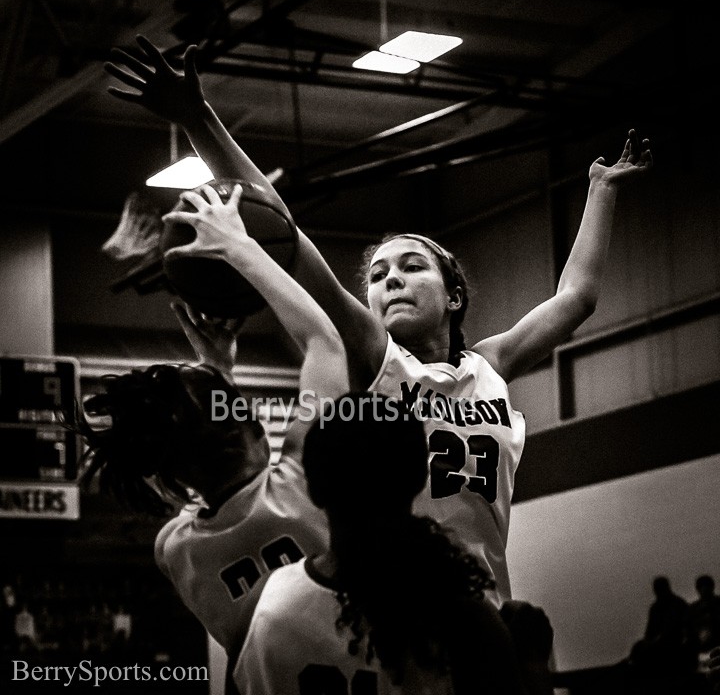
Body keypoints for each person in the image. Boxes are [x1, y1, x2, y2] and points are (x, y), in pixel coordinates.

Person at [104, 35, 653, 607]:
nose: (391, 279)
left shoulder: (492, 364)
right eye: (378, 275)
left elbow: (578, 298)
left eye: (413, 267)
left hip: (484, 603)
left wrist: (600, 188)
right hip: (389, 611)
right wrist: (198, 117)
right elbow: (281, 227)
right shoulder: (374, 358)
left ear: (454, 295)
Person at [75, 183, 348, 661]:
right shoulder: (302, 487)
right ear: (256, 426)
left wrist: (217, 375)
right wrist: (238, 247)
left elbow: (188, 468)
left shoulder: (178, 552)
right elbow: (323, 340)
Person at [233, 391, 529, 695]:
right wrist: (534, 665)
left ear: (314, 490)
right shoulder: (466, 619)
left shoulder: (263, 603)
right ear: (419, 479)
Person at [689, 575, 720, 661]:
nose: (704, 590)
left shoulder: (694, 607)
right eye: (701, 587)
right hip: (700, 645)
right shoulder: (693, 608)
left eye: (706, 586)